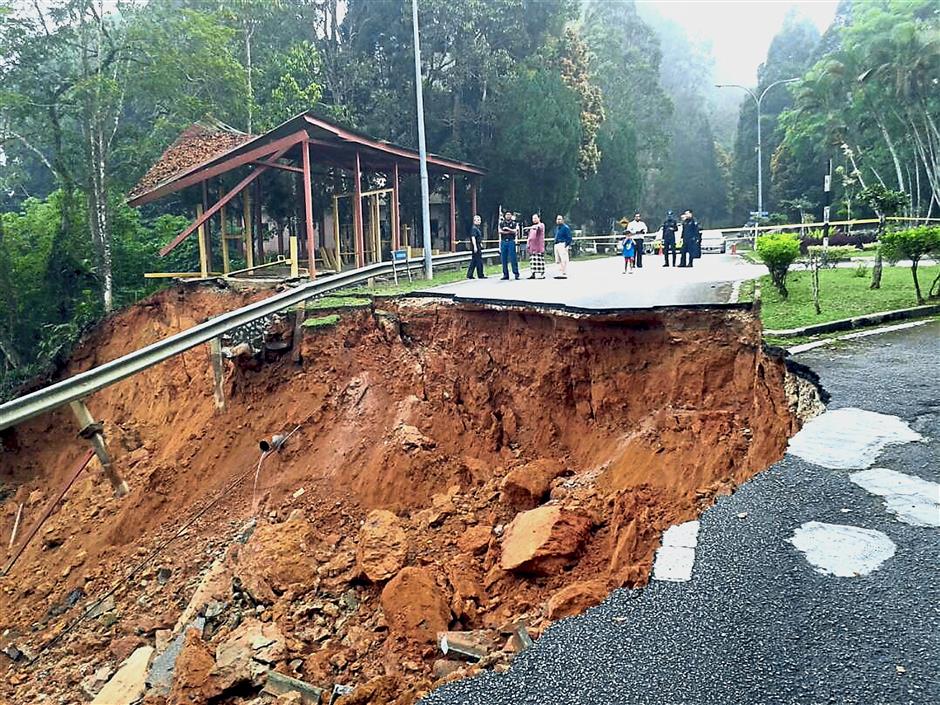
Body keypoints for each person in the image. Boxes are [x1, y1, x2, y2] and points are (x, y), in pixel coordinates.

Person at [499, 210, 520, 280]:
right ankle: (505, 274)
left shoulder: (514, 223)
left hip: (511, 241)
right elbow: (500, 231)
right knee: (503, 258)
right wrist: (510, 232)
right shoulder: (502, 223)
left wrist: (507, 229)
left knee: (513, 258)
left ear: (511, 216)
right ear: (505, 216)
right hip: (504, 241)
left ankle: (516, 273)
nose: (508, 216)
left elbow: (516, 231)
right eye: (507, 214)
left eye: (509, 214)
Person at [526, 213, 546, 279]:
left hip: (539, 246)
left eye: (535, 218)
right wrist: (528, 244)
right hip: (532, 247)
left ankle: (542, 274)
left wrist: (535, 227)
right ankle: (533, 274)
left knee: (540, 260)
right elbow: (529, 237)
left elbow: (538, 228)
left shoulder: (541, 225)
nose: (534, 220)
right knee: (532, 261)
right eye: (533, 218)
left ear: (538, 218)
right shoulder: (532, 227)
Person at [552, 215, 572, 279]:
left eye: (560, 219)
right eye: (557, 219)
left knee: (564, 259)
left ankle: (564, 272)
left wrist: (566, 245)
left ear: (563, 220)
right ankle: (559, 272)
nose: (558, 220)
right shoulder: (557, 228)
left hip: (562, 244)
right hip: (556, 244)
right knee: (557, 260)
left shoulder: (566, 228)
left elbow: (569, 237)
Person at [466, 214, 485, 279]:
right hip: (476, 246)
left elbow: (478, 238)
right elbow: (473, 237)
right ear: (474, 221)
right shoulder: (474, 228)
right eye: (478, 220)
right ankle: (480, 274)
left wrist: (481, 244)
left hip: (478, 245)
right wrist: (475, 246)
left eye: (480, 220)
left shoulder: (477, 228)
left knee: (474, 261)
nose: (479, 221)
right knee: (479, 261)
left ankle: (469, 275)